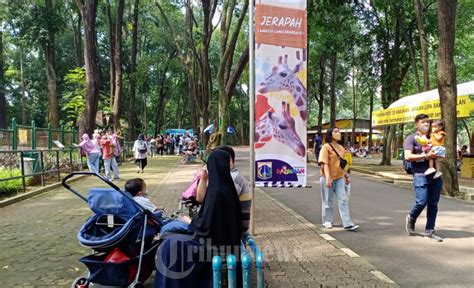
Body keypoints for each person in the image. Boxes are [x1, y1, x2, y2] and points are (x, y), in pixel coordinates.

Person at [154, 150, 242, 288]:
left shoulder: (218, 192)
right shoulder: (223, 187)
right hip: (220, 241)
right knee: (172, 241)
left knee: (171, 245)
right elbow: (202, 204)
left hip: (214, 246)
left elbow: (206, 228)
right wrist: (204, 178)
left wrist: (191, 222)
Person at [404, 114, 443, 242]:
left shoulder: (433, 137)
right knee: (421, 201)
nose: (426, 124)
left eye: (427, 122)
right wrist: (426, 156)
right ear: (417, 124)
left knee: (433, 204)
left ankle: (430, 231)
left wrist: (440, 153)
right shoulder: (411, 138)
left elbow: (440, 153)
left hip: (435, 176)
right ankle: (411, 217)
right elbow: (408, 156)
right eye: (423, 122)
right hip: (420, 175)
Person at [318, 127, 359, 231]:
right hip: (327, 177)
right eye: (335, 131)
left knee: (343, 200)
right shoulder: (326, 147)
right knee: (327, 200)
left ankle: (347, 223)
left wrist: (346, 175)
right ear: (330, 134)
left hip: (339, 177)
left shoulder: (341, 148)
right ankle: (327, 221)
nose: (338, 133)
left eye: (339, 131)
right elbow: (324, 163)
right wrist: (328, 178)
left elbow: (341, 164)